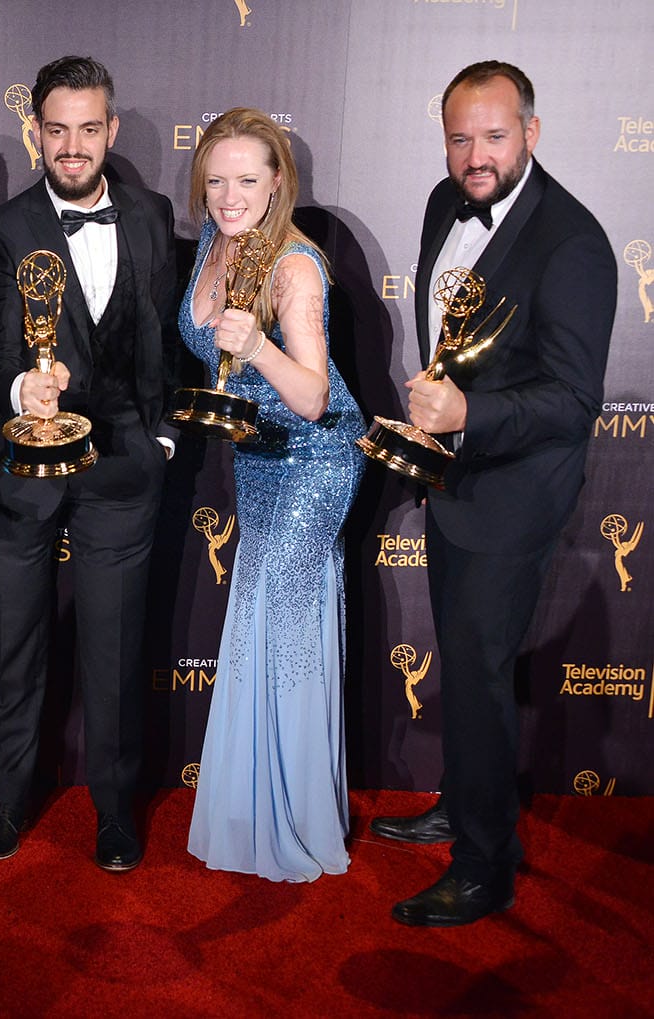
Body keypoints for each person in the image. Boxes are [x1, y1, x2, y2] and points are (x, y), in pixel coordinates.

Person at [371, 61, 616, 926]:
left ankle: (484, 864)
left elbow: (574, 400)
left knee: (475, 669)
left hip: (515, 494)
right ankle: (461, 800)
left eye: (495, 136)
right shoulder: (448, 204)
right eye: (459, 137)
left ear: (533, 133)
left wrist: (470, 411)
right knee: (467, 665)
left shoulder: (574, 242)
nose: (475, 156)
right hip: (455, 480)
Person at [0, 56, 179, 871]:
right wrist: (26, 386)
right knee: (14, 640)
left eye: (88, 128)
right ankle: (8, 799)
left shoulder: (154, 213)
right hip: (25, 463)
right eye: (56, 129)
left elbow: (166, 330)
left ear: (112, 130)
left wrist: (162, 436)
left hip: (125, 462)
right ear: (35, 131)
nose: (72, 145)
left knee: (115, 647)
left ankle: (116, 810)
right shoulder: (0, 229)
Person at [181, 108, 365, 882]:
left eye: (247, 180)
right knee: (254, 618)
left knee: (282, 626)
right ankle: (250, 811)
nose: (230, 196)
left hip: (314, 460)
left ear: (278, 182)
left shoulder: (295, 266)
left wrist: (257, 344)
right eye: (216, 180)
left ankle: (294, 818)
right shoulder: (214, 244)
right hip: (257, 458)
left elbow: (316, 396)